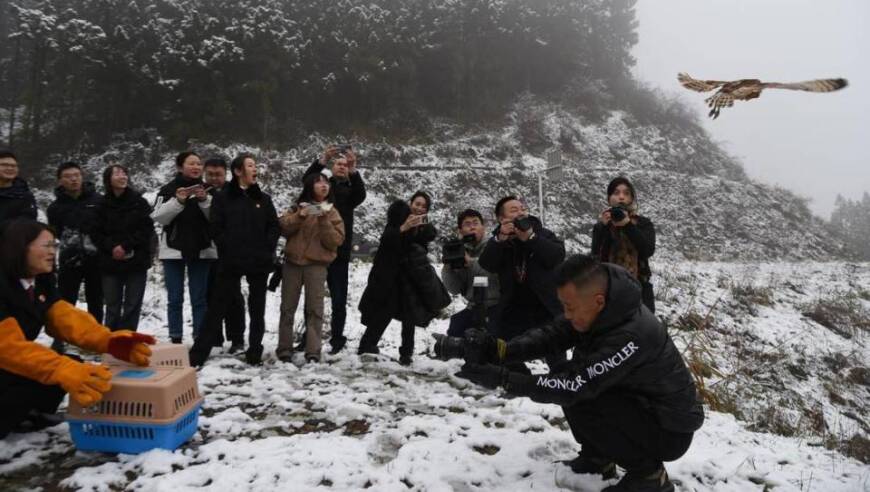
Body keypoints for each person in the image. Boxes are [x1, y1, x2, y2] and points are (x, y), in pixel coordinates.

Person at [457, 255, 703, 492]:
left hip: (670, 429)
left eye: (570, 307)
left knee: (577, 387)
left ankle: (649, 476)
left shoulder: (631, 334)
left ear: (598, 301)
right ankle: (598, 458)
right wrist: (500, 351)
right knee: (569, 377)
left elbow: (575, 385)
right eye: (564, 306)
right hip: (637, 405)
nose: (567, 314)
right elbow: (552, 336)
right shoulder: (603, 306)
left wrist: (504, 380)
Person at [0, 219, 155, 439]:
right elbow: (7, 348)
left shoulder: (40, 280)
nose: (53, 251)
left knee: (72, 365)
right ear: (19, 246)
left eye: (55, 245)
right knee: (59, 370)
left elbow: (61, 316)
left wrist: (107, 341)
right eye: (46, 246)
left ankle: (27, 415)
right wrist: (59, 368)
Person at [189, 154, 279, 366]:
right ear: (238, 171)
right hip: (231, 260)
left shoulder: (263, 199)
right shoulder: (223, 197)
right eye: (250, 166)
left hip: (258, 261)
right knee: (217, 306)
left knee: (258, 309)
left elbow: (274, 226)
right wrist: (227, 246)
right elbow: (215, 227)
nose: (255, 169)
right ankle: (199, 353)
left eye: (255, 166)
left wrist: (267, 248)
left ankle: (254, 351)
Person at [358, 191, 450, 365]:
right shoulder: (398, 218)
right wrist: (404, 227)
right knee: (383, 311)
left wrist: (422, 228)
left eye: (424, 206)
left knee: (409, 315)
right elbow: (387, 240)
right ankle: (367, 345)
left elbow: (427, 240)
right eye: (417, 204)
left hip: (410, 277)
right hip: (391, 276)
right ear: (410, 203)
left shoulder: (423, 227)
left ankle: (406, 354)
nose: (419, 208)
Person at [478, 197, 565, 354]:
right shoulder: (500, 241)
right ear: (501, 219)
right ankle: (519, 377)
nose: (520, 212)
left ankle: (559, 378)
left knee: (555, 353)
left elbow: (557, 256)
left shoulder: (542, 233)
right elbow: (486, 264)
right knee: (504, 352)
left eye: (522, 209)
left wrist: (531, 239)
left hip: (545, 306)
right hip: (513, 308)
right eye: (514, 210)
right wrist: (501, 238)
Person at [302, 145, 366, 354]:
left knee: (339, 299)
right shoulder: (322, 189)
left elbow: (361, 194)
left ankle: (337, 339)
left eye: (345, 165)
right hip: (318, 250)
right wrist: (322, 160)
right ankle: (308, 338)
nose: (342, 167)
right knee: (313, 297)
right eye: (338, 164)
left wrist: (354, 169)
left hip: (340, 252)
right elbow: (307, 180)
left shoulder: (350, 192)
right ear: (332, 167)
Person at [275, 172, 345, 363]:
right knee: (287, 308)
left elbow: (335, 241)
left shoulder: (332, 212)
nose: (324, 186)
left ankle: (313, 351)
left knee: (315, 310)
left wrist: (323, 220)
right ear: (309, 187)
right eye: (318, 183)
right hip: (292, 264)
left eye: (326, 183)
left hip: (317, 265)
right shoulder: (297, 207)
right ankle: (284, 349)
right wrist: (300, 215)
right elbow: (282, 227)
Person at [151, 151, 216, 343]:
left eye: (198, 163)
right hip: (173, 249)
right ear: (180, 167)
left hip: (203, 248)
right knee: (175, 298)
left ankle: (200, 338)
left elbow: (217, 219)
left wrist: (205, 200)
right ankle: (176, 337)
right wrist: (178, 201)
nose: (196, 167)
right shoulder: (167, 189)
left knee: (200, 298)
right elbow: (158, 217)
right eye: (191, 163)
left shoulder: (209, 190)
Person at [46, 162, 104, 352]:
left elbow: (107, 228)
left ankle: (94, 339)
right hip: (69, 260)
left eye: (76, 175)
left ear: (82, 176)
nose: (73, 179)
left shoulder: (98, 200)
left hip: (96, 258)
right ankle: (60, 339)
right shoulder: (55, 207)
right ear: (60, 180)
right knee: (65, 302)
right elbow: (54, 235)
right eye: (68, 176)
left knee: (96, 300)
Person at [90, 165, 155, 331]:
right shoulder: (101, 205)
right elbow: (95, 232)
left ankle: (128, 338)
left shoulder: (139, 202)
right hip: (109, 260)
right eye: (117, 173)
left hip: (136, 258)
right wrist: (112, 247)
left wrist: (125, 246)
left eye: (125, 172)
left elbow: (146, 229)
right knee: (112, 304)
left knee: (133, 304)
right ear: (108, 180)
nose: (123, 176)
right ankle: (111, 341)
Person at [591, 177, 656, 312]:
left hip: (639, 290)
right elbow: (595, 256)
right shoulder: (602, 225)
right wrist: (603, 227)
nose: (621, 197)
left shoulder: (643, 223)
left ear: (632, 198)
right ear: (609, 198)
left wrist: (627, 225)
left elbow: (647, 250)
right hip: (608, 290)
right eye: (616, 193)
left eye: (626, 193)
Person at [202, 157, 245, 352]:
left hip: (231, 253)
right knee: (209, 296)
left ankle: (236, 338)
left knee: (234, 297)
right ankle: (215, 338)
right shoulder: (198, 191)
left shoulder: (234, 192)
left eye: (218, 174)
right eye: (210, 174)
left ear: (226, 174)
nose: (214, 178)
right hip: (204, 252)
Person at [440, 209, 500, 337]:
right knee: (455, 331)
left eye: (475, 223)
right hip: (473, 307)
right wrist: (448, 266)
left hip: (497, 306)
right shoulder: (460, 251)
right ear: (460, 231)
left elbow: (491, 271)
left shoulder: (495, 245)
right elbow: (454, 289)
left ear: (483, 228)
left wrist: (470, 262)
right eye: (467, 224)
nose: (472, 227)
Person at [0, 148, 37, 229]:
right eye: (4, 165)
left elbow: (28, 222)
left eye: (13, 166)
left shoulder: (25, 196)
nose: (10, 168)